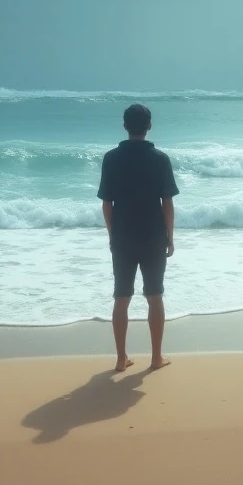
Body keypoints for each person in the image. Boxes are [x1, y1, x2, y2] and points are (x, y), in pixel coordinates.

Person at [97, 103, 179, 372]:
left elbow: (106, 204)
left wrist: (112, 235)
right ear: (149, 126)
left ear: (124, 126)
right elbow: (166, 202)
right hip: (153, 235)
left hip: (123, 236)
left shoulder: (111, 159)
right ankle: (156, 358)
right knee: (154, 296)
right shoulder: (160, 159)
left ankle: (121, 358)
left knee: (122, 298)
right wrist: (170, 236)